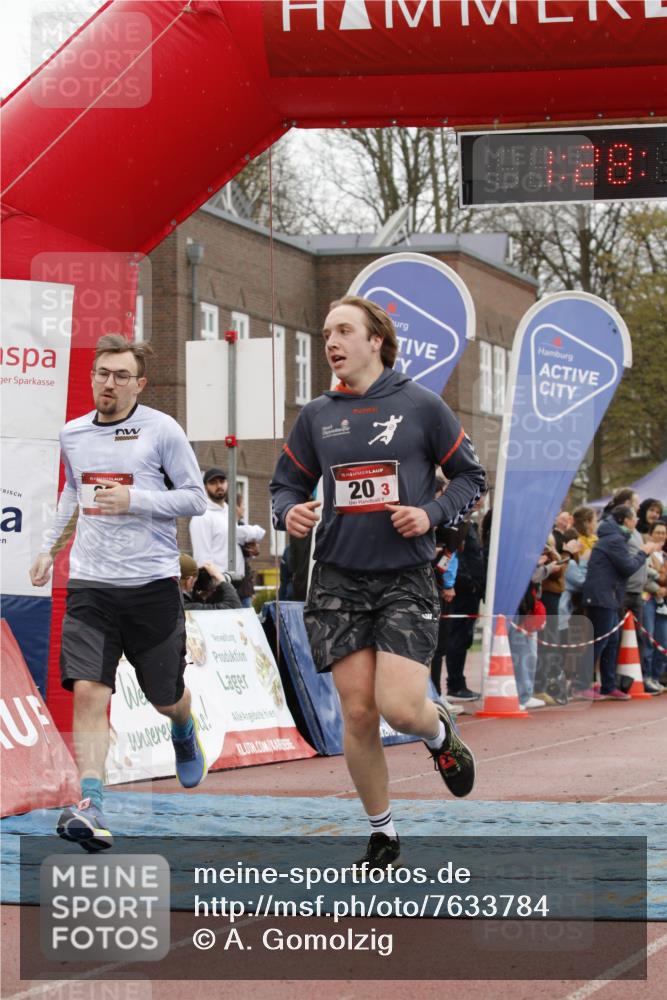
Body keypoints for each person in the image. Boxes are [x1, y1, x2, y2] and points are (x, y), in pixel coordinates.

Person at [270, 295, 486, 869]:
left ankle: (438, 731)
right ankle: (382, 831)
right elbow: (285, 485)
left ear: (376, 341)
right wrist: (289, 512)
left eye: (344, 331)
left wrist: (431, 514)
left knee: (400, 708)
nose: (331, 343)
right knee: (360, 713)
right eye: (326, 334)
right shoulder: (317, 415)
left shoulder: (421, 405)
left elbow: (470, 476)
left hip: (404, 577)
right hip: (338, 578)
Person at [29, 335, 208, 852]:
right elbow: (72, 492)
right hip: (92, 584)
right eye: (102, 373)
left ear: (139, 383)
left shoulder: (162, 430)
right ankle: (91, 803)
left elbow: (195, 499)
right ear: (92, 378)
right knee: (89, 691)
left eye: (121, 375)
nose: (109, 383)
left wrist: (136, 499)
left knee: (164, 697)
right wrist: (48, 549)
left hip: (151, 586)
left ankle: (183, 726)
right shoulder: (73, 433)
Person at [581, 504, 658, 700]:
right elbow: (627, 567)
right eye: (633, 518)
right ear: (625, 520)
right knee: (600, 640)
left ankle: (608, 686)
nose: (636, 522)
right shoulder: (614, 540)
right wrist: (643, 552)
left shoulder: (614, 538)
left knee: (612, 640)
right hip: (602, 596)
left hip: (610, 596)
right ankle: (581, 685)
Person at [189, 469, 265, 600]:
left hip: (240, 586)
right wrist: (215, 587)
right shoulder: (202, 517)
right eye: (213, 482)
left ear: (227, 483)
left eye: (222, 481)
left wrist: (250, 550)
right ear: (205, 487)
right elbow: (203, 560)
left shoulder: (228, 511)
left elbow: (233, 542)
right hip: (219, 591)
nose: (219, 485)